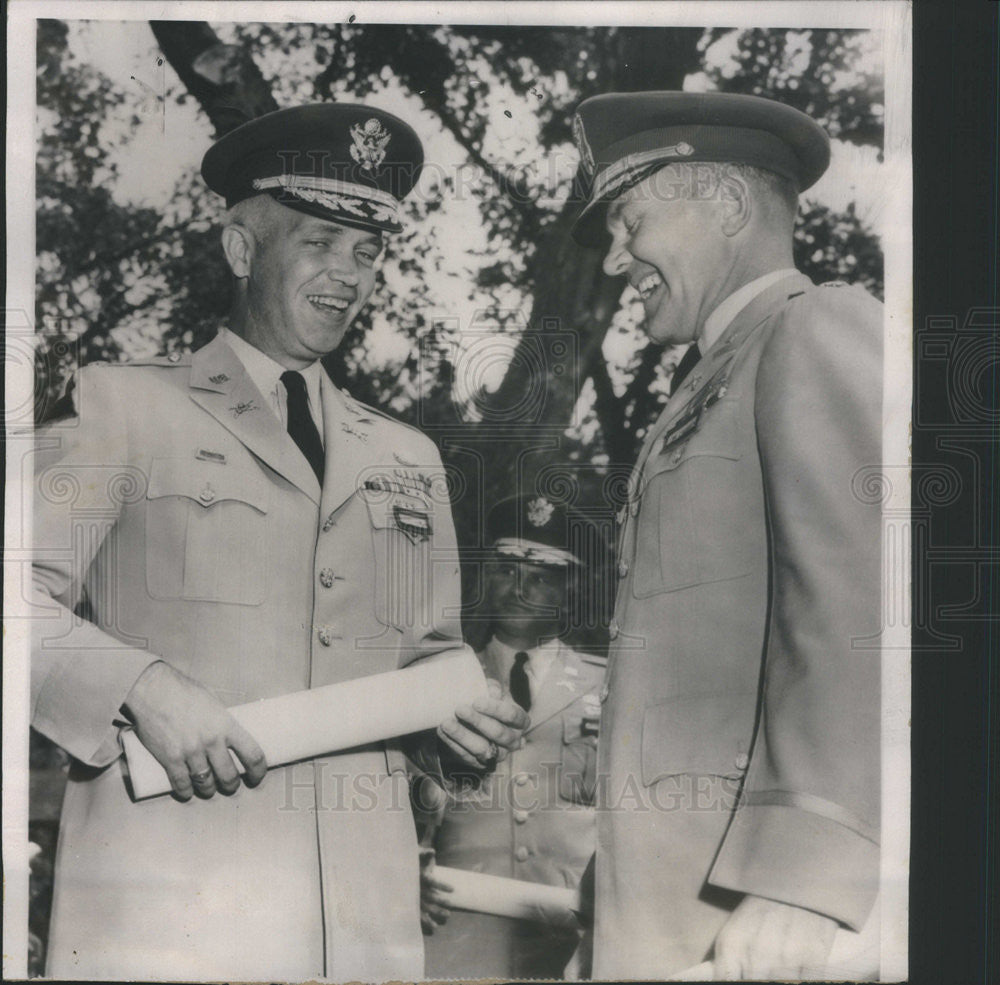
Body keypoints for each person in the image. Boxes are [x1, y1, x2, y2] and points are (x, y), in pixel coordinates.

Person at [29, 103, 527, 982]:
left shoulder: (407, 455)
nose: (348, 274)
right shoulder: (123, 404)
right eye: (320, 241)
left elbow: (427, 661)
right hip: (176, 911)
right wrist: (138, 684)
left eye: (368, 251)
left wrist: (451, 726)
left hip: (364, 922)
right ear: (240, 247)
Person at [569, 91, 883, 980]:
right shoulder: (713, 376)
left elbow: (867, 606)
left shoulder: (811, 327)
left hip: (757, 922)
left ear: (732, 207)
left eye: (632, 219)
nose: (617, 253)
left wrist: (803, 876)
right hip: (667, 909)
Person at [416, 493, 606, 979]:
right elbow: (400, 790)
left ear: (569, 590)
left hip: (576, 923)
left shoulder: (607, 685)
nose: (517, 587)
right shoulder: (441, 680)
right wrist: (406, 867)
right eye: (505, 571)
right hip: (459, 917)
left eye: (540, 577)